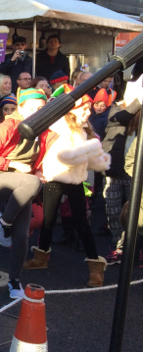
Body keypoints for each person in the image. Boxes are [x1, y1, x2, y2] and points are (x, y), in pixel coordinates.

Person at [28, 85, 111, 286]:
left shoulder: (86, 131)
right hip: (54, 178)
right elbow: (63, 156)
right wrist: (91, 149)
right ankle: (41, 258)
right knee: (48, 220)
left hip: (75, 180)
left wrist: (96, 155)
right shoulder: (58, 127)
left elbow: (92, 161)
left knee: (81, 222)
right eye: (84, 108)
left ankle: (95, 266)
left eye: (89, 108)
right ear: (71, 110)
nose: (88, 112)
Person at [0, 88, 49, 298]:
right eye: (32, 107)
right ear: (21, 108)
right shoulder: (7, 127)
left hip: (24, 185)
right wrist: (11, 163)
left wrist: (41, 170)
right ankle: (4, 222)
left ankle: (14, 282)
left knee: (22, 236)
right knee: (32, 182)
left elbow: (41, 159)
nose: (37, 111)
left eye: (41, 108)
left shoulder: (43, 129)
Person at [102, 77, 142, 264]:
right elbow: (119, 119)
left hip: (134, 170)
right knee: (114, 211)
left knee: (134, 212)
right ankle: (119, 247)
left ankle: (132, 248)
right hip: (114, 169)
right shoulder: (118, 108)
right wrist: (138, 102)